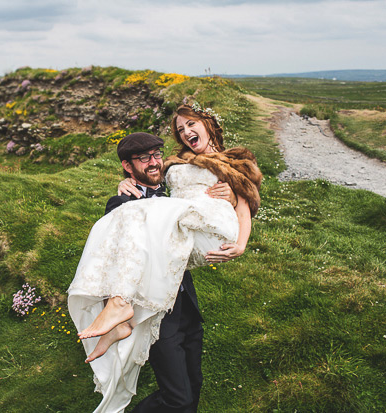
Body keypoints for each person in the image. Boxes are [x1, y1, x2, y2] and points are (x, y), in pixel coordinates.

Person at [68, 104, 262, 412]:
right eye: (143, 158)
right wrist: (124, 193)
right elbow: (117, 260)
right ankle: (116, 312)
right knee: (177, 398)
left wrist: (232, 198)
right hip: (159, 316)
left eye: (157, 155)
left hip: (187, 306)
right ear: (128, 167)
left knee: (193, 385)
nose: (154, 162)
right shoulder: (121, 204)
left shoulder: (173, 199)